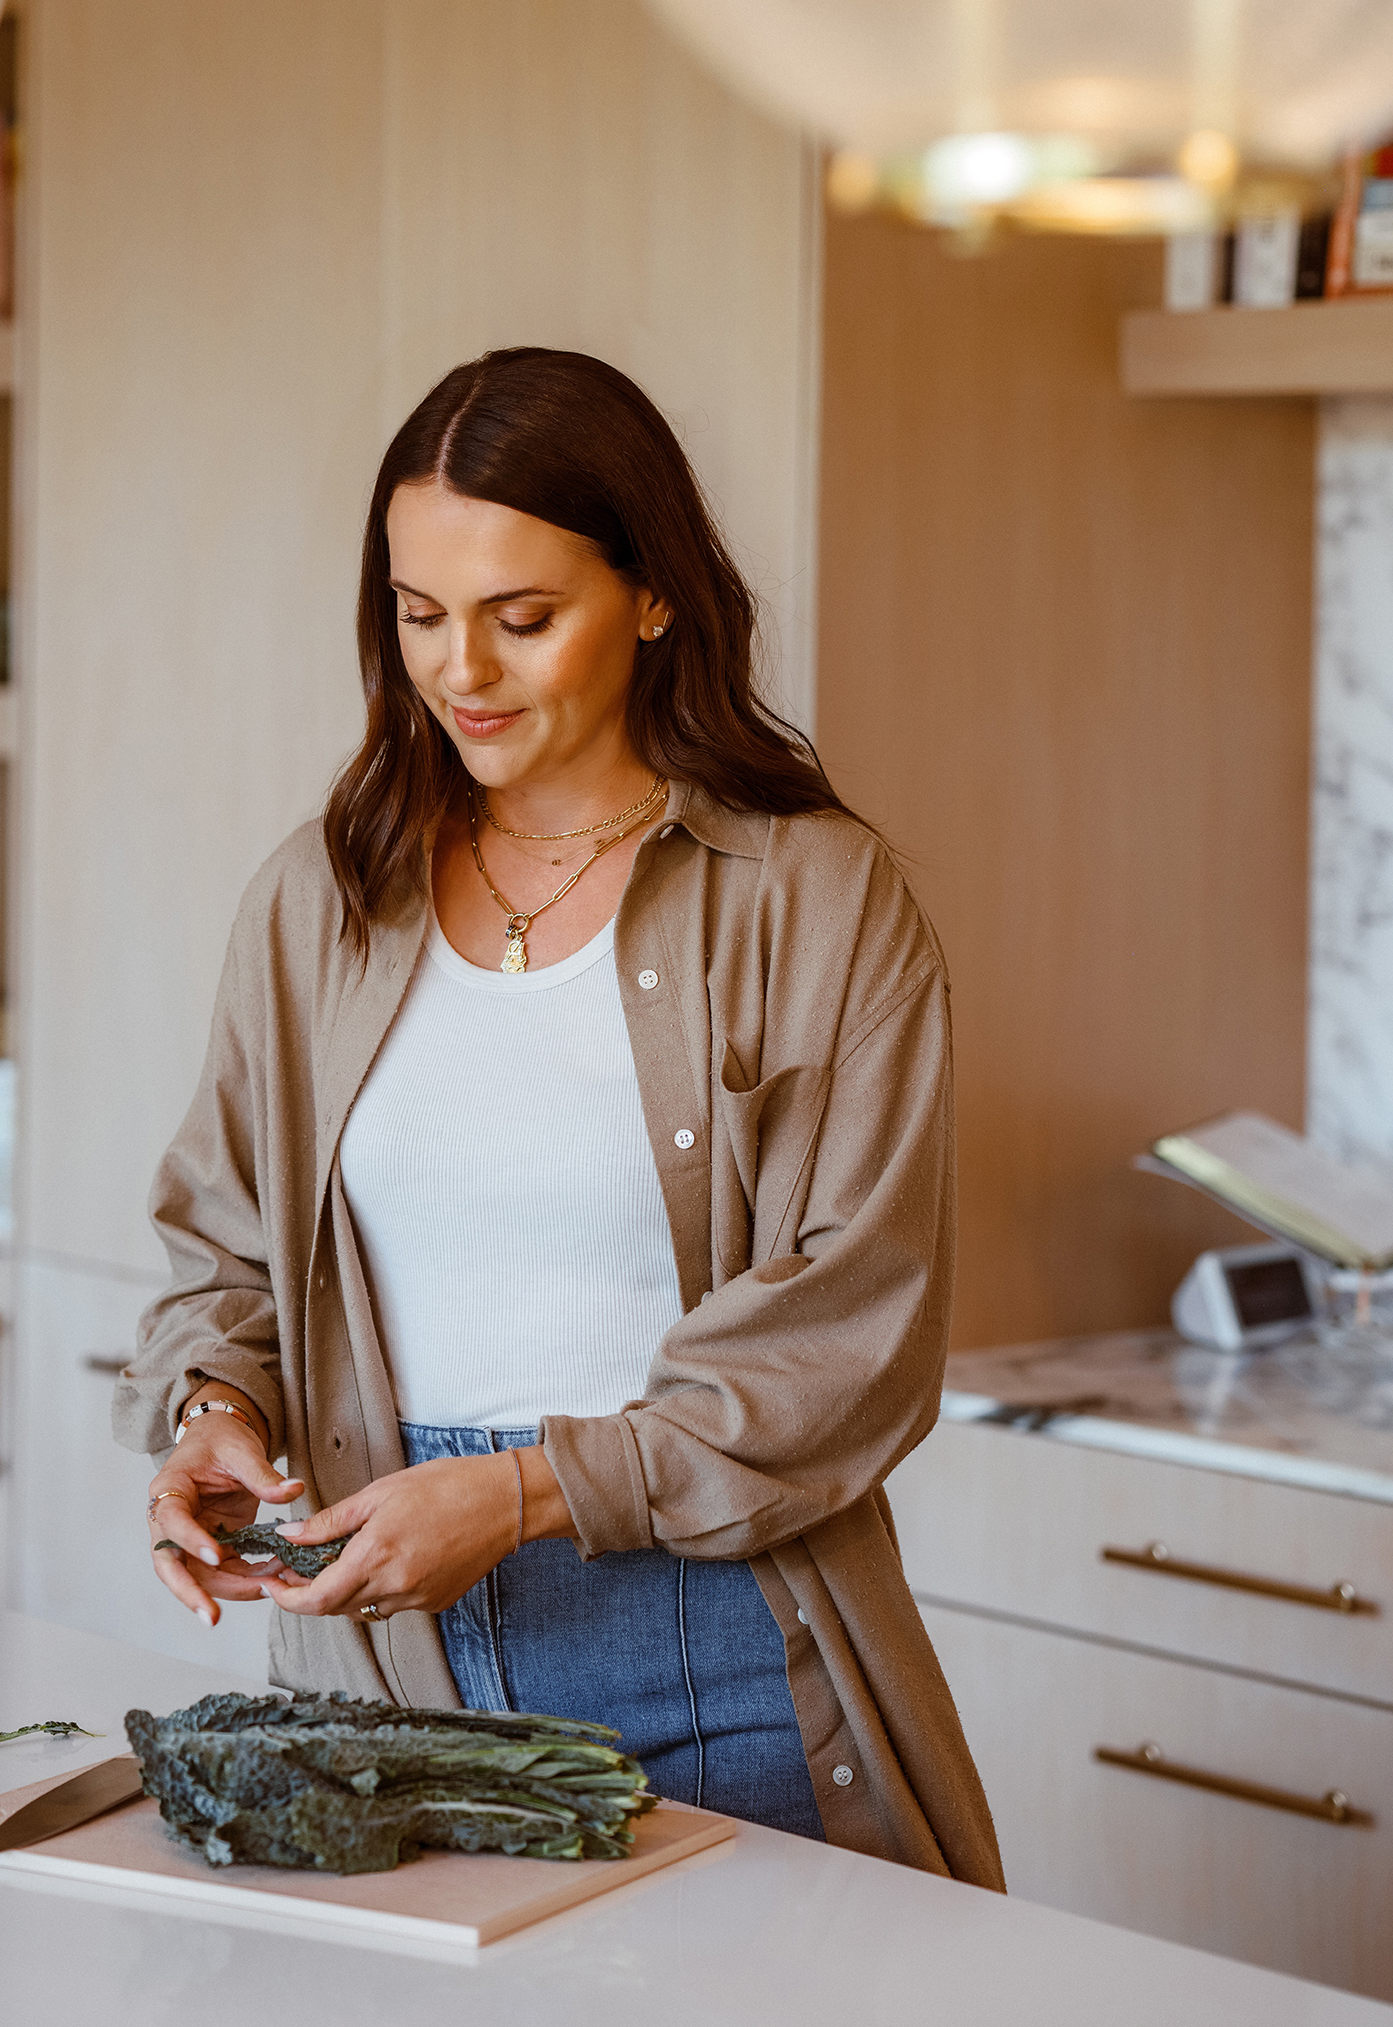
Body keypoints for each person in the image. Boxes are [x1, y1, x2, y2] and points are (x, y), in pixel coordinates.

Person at [115, 347, 1002, 1885]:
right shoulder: (317, 905)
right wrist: (214, 1415)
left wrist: (525, 1492)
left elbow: (852, 1341)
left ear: (654, 594)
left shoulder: (820, 905)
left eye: (524, 619)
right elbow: (227, 1250)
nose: (463, 670)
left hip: (714, 1642)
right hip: (383, 1661)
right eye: (419, 616)